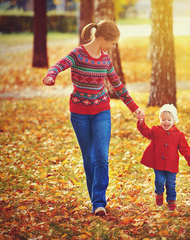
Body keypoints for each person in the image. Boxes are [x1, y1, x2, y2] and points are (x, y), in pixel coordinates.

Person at [43, 20, 144, 217]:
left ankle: (99, 202)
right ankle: (94, 200)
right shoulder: (78, 54)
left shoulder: (105, 60)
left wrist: (135, 108)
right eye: (112, 43)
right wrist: (50, 76)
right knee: (89, 159)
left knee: (101, 158)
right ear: (103, 39)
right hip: (79, 114)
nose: (113, 47)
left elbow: (118, 86)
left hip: (101, 112)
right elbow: (59, 65)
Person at [137, 104, 190, 210]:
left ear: (174, 120)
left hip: (171, 165)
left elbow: (185, 148)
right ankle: (159, 193)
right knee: (159, 181)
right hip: (158, 163)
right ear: (160, 119)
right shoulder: (155, 131)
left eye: (169, 120)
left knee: (171, 184)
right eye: (163, 119)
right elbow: (146, 132)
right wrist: (141, 122)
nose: (166, 122)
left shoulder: (178, 135)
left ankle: (171, 200)